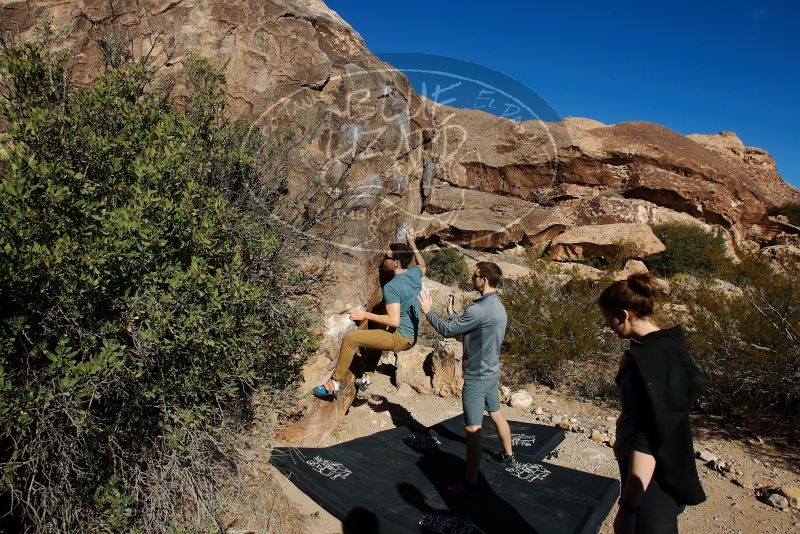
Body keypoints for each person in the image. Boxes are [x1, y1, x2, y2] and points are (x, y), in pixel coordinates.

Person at [598, 273, 706, 534]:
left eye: (608, 318)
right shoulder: (669, 344)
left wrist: (628, 507)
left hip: (651, 472)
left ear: (624, 315)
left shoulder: (647, 362)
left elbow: (646, 440)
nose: (608, 325)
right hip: (671, 459)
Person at [418, 261, 515, 497]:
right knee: (496, 414)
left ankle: (470, 482)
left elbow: (449, 331)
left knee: (473, 429)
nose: (472, 278)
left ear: (483, 280)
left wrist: (428, 312)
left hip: (477, 376)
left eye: (475, 275)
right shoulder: (496, 306)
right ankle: (508, 455)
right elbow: (475, 327)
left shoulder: (478, 309)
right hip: (492, 371)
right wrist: (453, 314)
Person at [314, 230, 425, 398]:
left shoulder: (392, 287)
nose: (383, 259)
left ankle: (334, 384)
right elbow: (423, 265)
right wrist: (412, 243)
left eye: (387, 257)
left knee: (351, 339)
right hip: (412, 336)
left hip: (402, 338)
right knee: (379, 333)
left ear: (396, 263)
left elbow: (394, 320)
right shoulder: (414, 274)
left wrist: (364, 314)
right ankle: (368, 375)